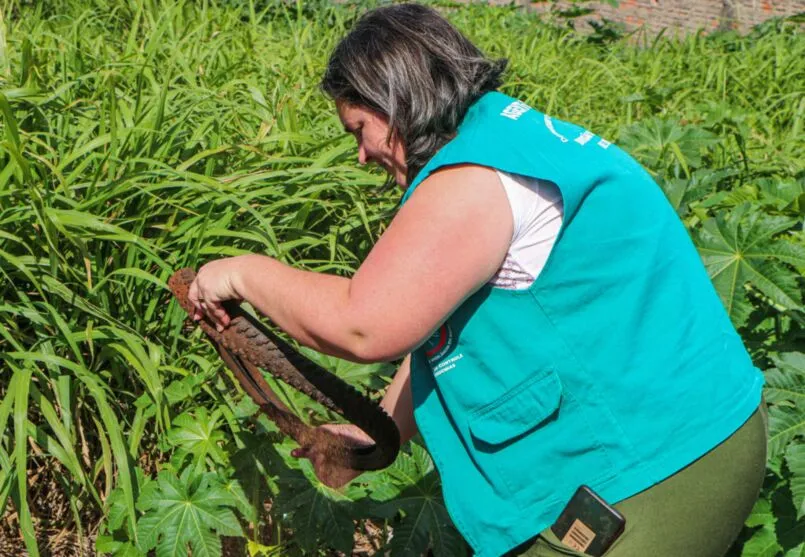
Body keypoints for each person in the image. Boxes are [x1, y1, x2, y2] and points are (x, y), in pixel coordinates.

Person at [186, 4, 767, 556]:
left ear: (397, 97)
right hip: (689, 438)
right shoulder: (508, 139)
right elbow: (443, 329)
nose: (360, 155)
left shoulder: (476, 178)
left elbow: (363, 326)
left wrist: (240, 272)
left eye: (358, 129)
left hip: (654, 467)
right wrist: (382, 429)